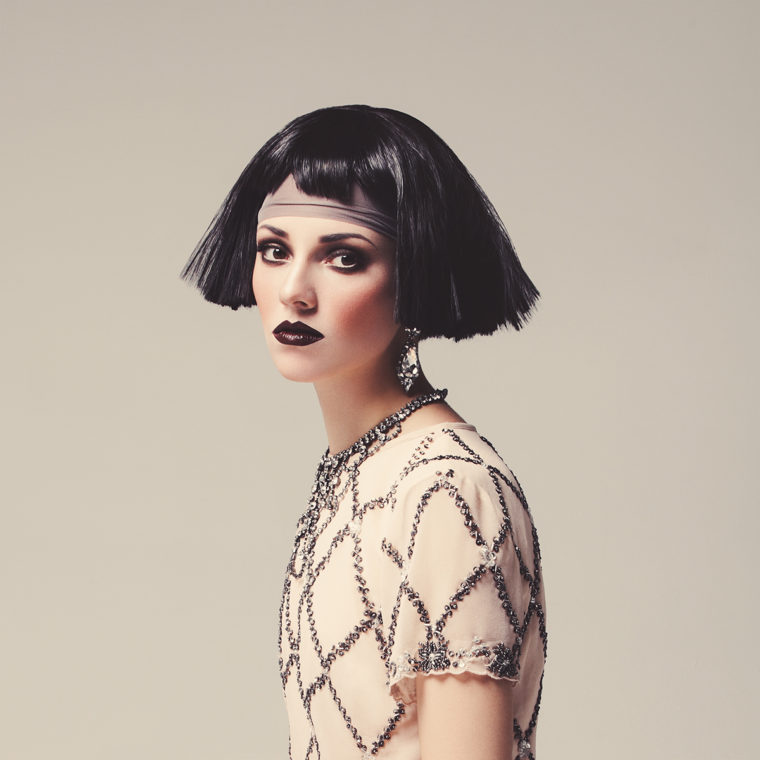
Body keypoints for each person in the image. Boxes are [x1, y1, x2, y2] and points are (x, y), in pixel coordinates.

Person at [181, 105, 547, 760]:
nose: (294, 290)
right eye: (274, 251)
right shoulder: (365, 468)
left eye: (344, 258)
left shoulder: (445, 486)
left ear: (416, 275)